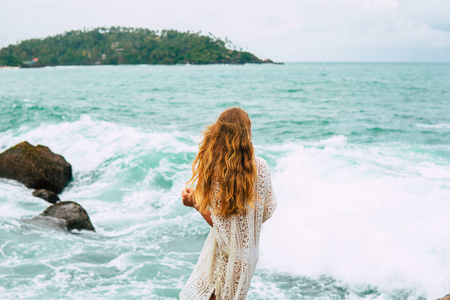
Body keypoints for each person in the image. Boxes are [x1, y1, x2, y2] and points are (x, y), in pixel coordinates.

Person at [179, 107, 277, 300]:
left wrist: (196, 204)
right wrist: (244, 229)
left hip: (225, 259)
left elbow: (222, 230)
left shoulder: (219, 172)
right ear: (248, 133)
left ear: (220, 133)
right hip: (248, 257)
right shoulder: (262, 166)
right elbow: (267, 210)